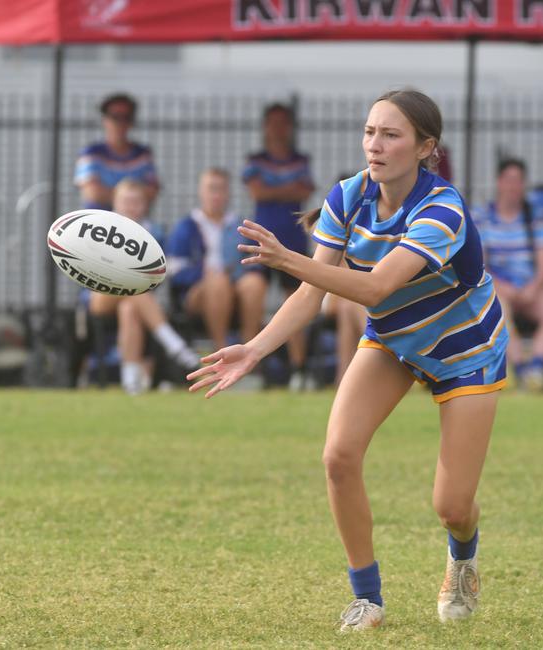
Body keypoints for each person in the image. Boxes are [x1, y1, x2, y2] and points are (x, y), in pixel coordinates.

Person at [189, 90, 509, 631]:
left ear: (426, 147)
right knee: (338, 457)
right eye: (369, 132)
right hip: (394, 342)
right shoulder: (348, 196)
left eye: (391, 135)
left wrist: (289, 257)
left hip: (465, 351)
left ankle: (462, 558)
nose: (375, 145)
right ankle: (368, 598)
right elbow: (310, 295)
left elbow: (378, 287)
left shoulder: (442, 208)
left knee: (452, 507)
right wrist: (256, 347)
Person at [88, 179, 200, 394]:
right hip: (100, 295)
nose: (130, 207)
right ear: (115, 202)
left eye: (135, 202)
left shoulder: (154, 233)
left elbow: (165, 268)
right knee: (133, 287)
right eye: (125, 201)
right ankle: (174, 345)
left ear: (144, 204)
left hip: (137, 298)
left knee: (129, 305)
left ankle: (131, 382)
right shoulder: (100, 229)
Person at [473, 158, 543, 390]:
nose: (513, 186)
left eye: (518, 180)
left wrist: (532, 289)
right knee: (498, 309)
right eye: (509, 180)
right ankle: (520, 368)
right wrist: (503, 288)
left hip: (531, 286)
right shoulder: (482, 217)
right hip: (497, 285)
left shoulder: (538, 217)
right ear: (499, 182)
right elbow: (479, 264)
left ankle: (537, 366)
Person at [242, 102, 315, 389]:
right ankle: (250, 368)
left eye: (283, 122)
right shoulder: (255, 159)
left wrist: (273, 189)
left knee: (296, 299)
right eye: (273, 121)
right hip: (259, 239)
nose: (278, 128)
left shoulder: (300, 159)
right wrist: (286, 190)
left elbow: (305, 189)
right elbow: (257, 191)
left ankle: (299, 369)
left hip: (293, 242)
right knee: (253, 295)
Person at [165, 169, 264, 351]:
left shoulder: (240, 226)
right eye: (211, 188)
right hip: (197, 291)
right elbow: (173, 269)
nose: (216, 195)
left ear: (228, 193)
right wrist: (203, 273)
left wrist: (233, 272)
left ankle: (250, 350)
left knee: (254, 283)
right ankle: (221, 352)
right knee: (218, 282)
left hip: (234, 284)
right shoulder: (186, 226)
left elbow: (255, 261)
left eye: (221, 189)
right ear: (201, 192)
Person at [74, 93, 159, 210]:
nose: (120, 123)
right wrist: (132, 197)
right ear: (105, 120)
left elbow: (152, 191)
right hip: (98, 222)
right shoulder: (91, 153)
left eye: (126, 117)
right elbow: (91, 193)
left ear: (132, 122)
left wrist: (109, 193)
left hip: (131, 223)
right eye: (115, 116)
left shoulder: (143, 154)